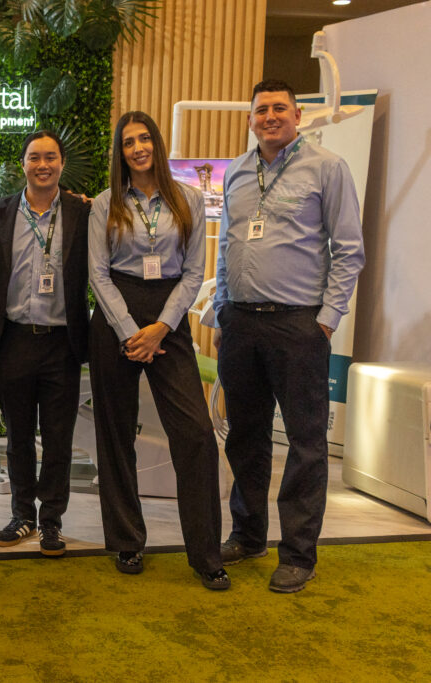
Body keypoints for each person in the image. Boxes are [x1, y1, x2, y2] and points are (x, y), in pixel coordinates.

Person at [213, 79, 365, 593]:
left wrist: (326, 319)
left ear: (298, 116)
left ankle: (299, 554)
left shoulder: (327, 167)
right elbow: (226, 244)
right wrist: (221, 309)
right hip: (240, 323)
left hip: (299, 325)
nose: (270, 116)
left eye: (280, 108)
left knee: (305, 442)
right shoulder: (236, 170)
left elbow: (349, 249)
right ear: (250, 118)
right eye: (262, 110)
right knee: (245, 436)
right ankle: (247, 534)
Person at [88, 111, 229, 590]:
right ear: (120, 152)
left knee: (196, 434)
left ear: (157, 143)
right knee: (116, 434)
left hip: (168, 316)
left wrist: (161, 329)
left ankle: (206, 555)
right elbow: (97, 273)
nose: (138, 148)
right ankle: (127, 542)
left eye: (144, 138)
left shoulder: (188, 199)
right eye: (128, 142)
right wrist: (131, 331)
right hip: (116, 316)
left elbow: (193, 272)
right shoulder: (106, 202)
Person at [0, 130, 90, 557]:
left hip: (62, 342)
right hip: (14, 339)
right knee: (18, 437)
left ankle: (51, 521)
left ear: (62, 163)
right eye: (34, 157)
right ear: (23, 164)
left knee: (59, 438)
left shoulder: (83, 212)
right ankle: (22, 514)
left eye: (50, 157)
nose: (42, 165)